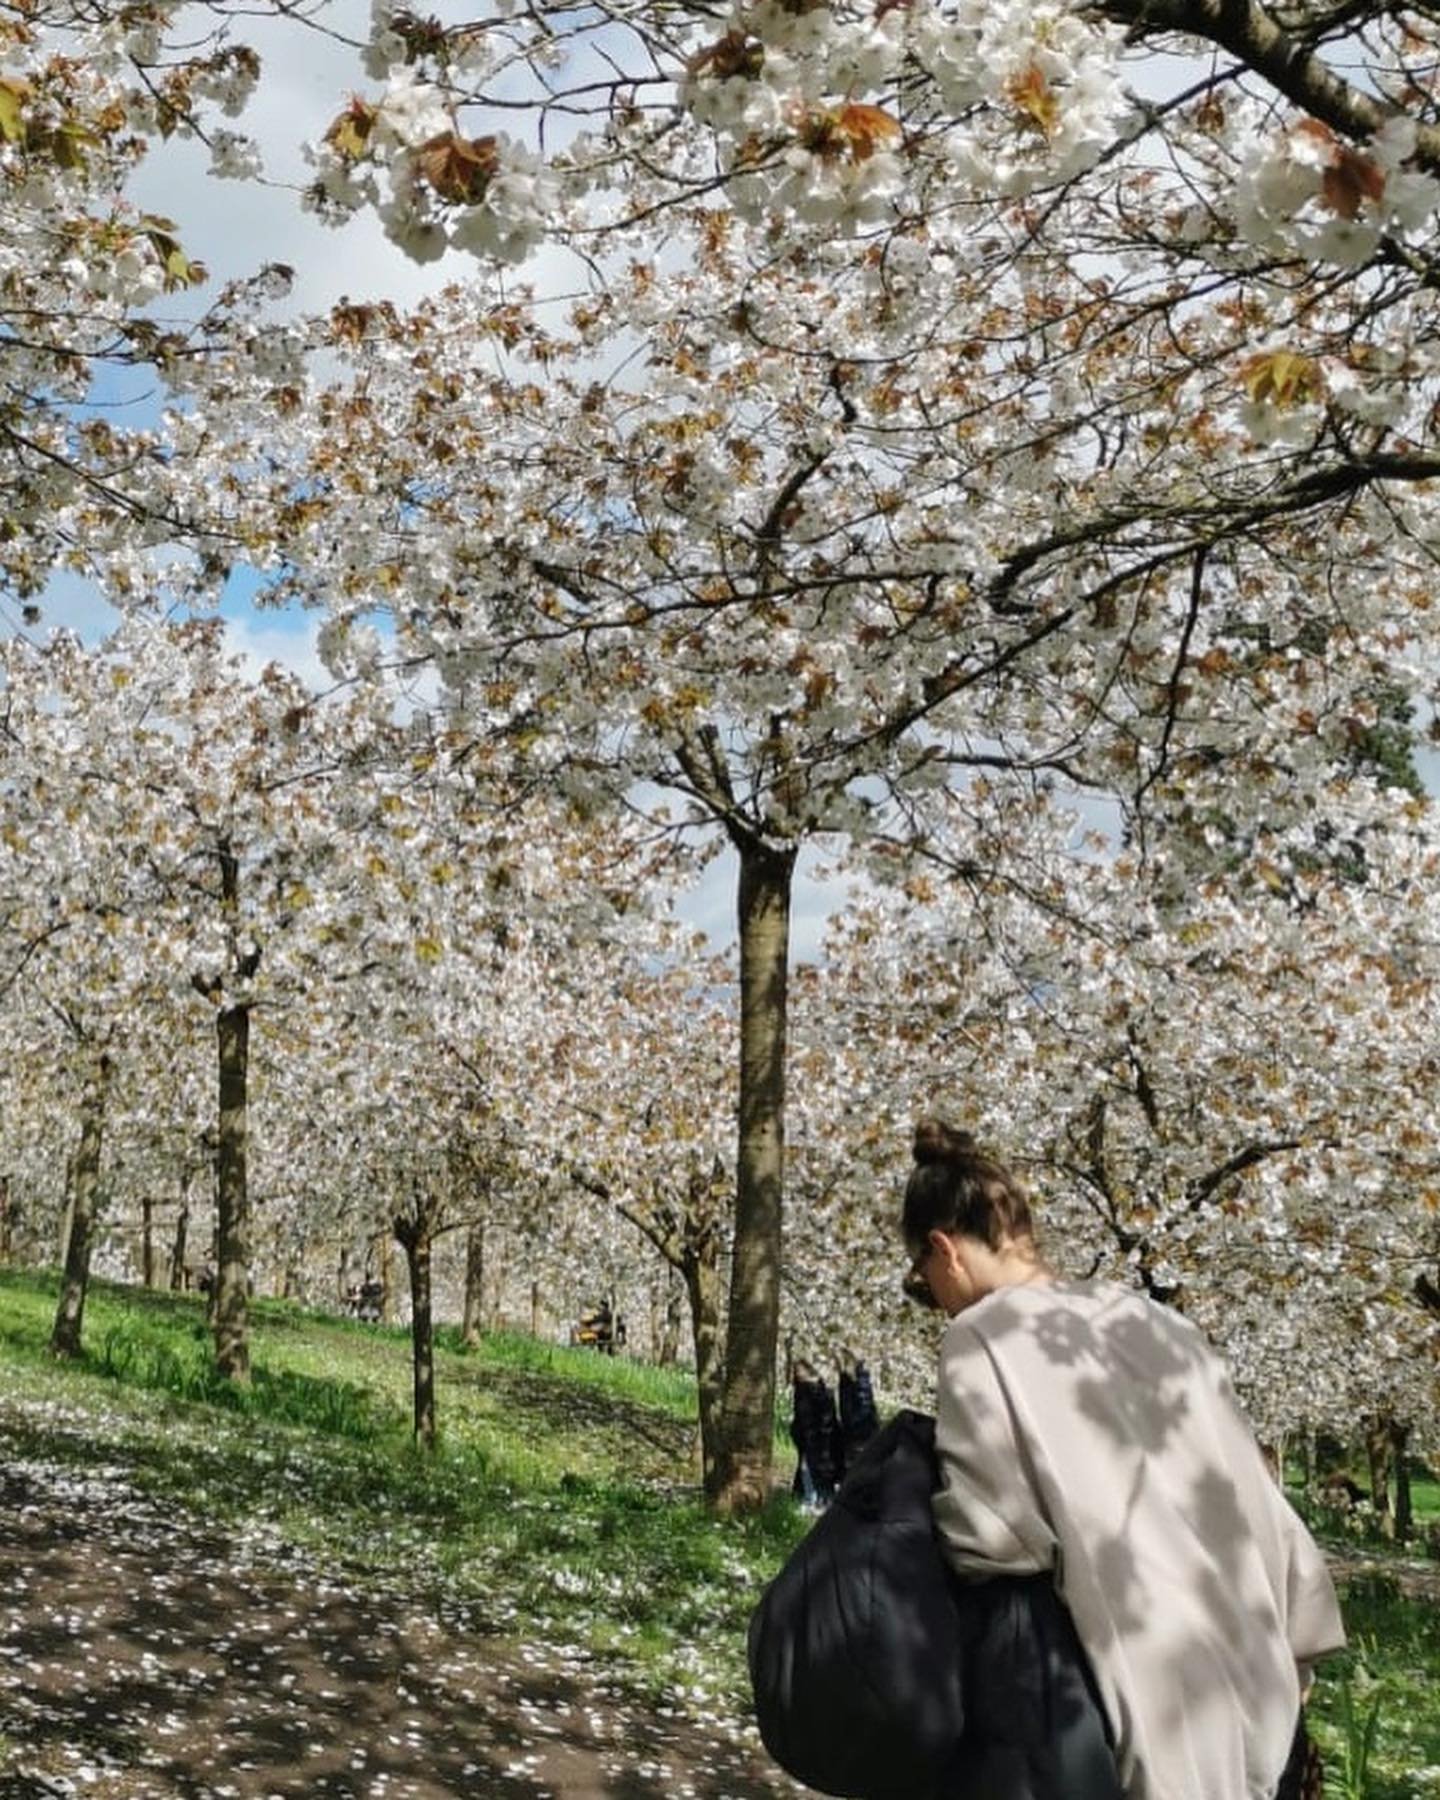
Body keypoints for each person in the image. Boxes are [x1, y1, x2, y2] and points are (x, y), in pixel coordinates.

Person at [902, 1119, 1344, 1800]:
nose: (932, 1296)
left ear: (944, 1250)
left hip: (1137, 1718)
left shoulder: (980, 1337)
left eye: (924, 1276)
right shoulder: (1165, 1325)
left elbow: (990, 1539)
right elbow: (1265, 1509)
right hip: (1261, 1698)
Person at [789, 1358, 842, 1508]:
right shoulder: (817, 1389)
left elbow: (811, 1418)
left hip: (816, 1438)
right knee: (812, 1470)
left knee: (810, 1469)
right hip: (816, 1438)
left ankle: (812, 1500)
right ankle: (816, 1499)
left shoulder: (810, 1391)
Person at [837, 1349, 880, 1463]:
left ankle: (849, 1374)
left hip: (860, 1447)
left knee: (854, 1412)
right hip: (864, 1446)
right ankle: (853, 1372)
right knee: (861, 1412)